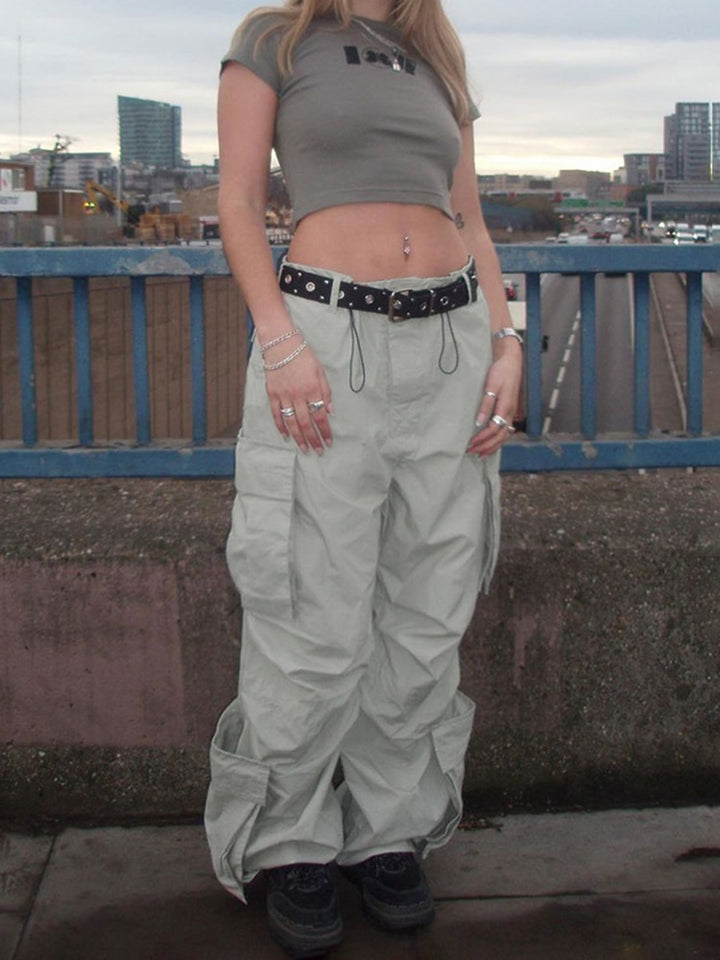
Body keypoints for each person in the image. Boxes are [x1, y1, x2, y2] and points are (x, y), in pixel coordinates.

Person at [205, 0, 523, 955]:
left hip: (452, 341)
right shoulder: (275, 38)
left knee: (426, 606)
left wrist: (505, 341)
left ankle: (389, 833)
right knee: (309, 603)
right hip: (323, 336)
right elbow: (236, 200)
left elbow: (466, 212)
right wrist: (281, 341)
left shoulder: (435, 55)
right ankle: (290, 840)